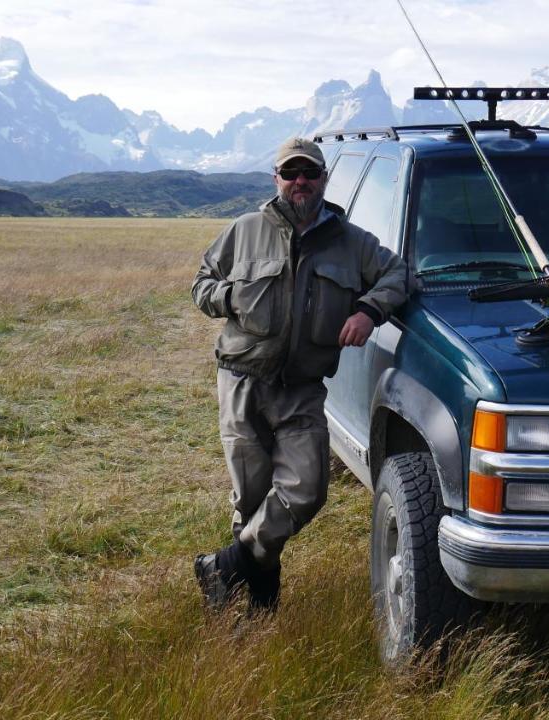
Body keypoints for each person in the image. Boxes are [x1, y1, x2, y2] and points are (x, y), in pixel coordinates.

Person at [191, 137, 406, 611]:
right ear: (277, 180)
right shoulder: (245, 230)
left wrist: (370, 310)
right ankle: (259, 605)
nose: (300, 182)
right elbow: (201, 283)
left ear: (324, 179)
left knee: (305, 491)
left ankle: (223, 566)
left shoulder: (352, 242)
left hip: (303, 389)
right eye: (290, 174)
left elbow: (399, 275)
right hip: (242, 381)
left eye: (309, 173)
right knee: (250, 498)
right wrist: (228, 298)